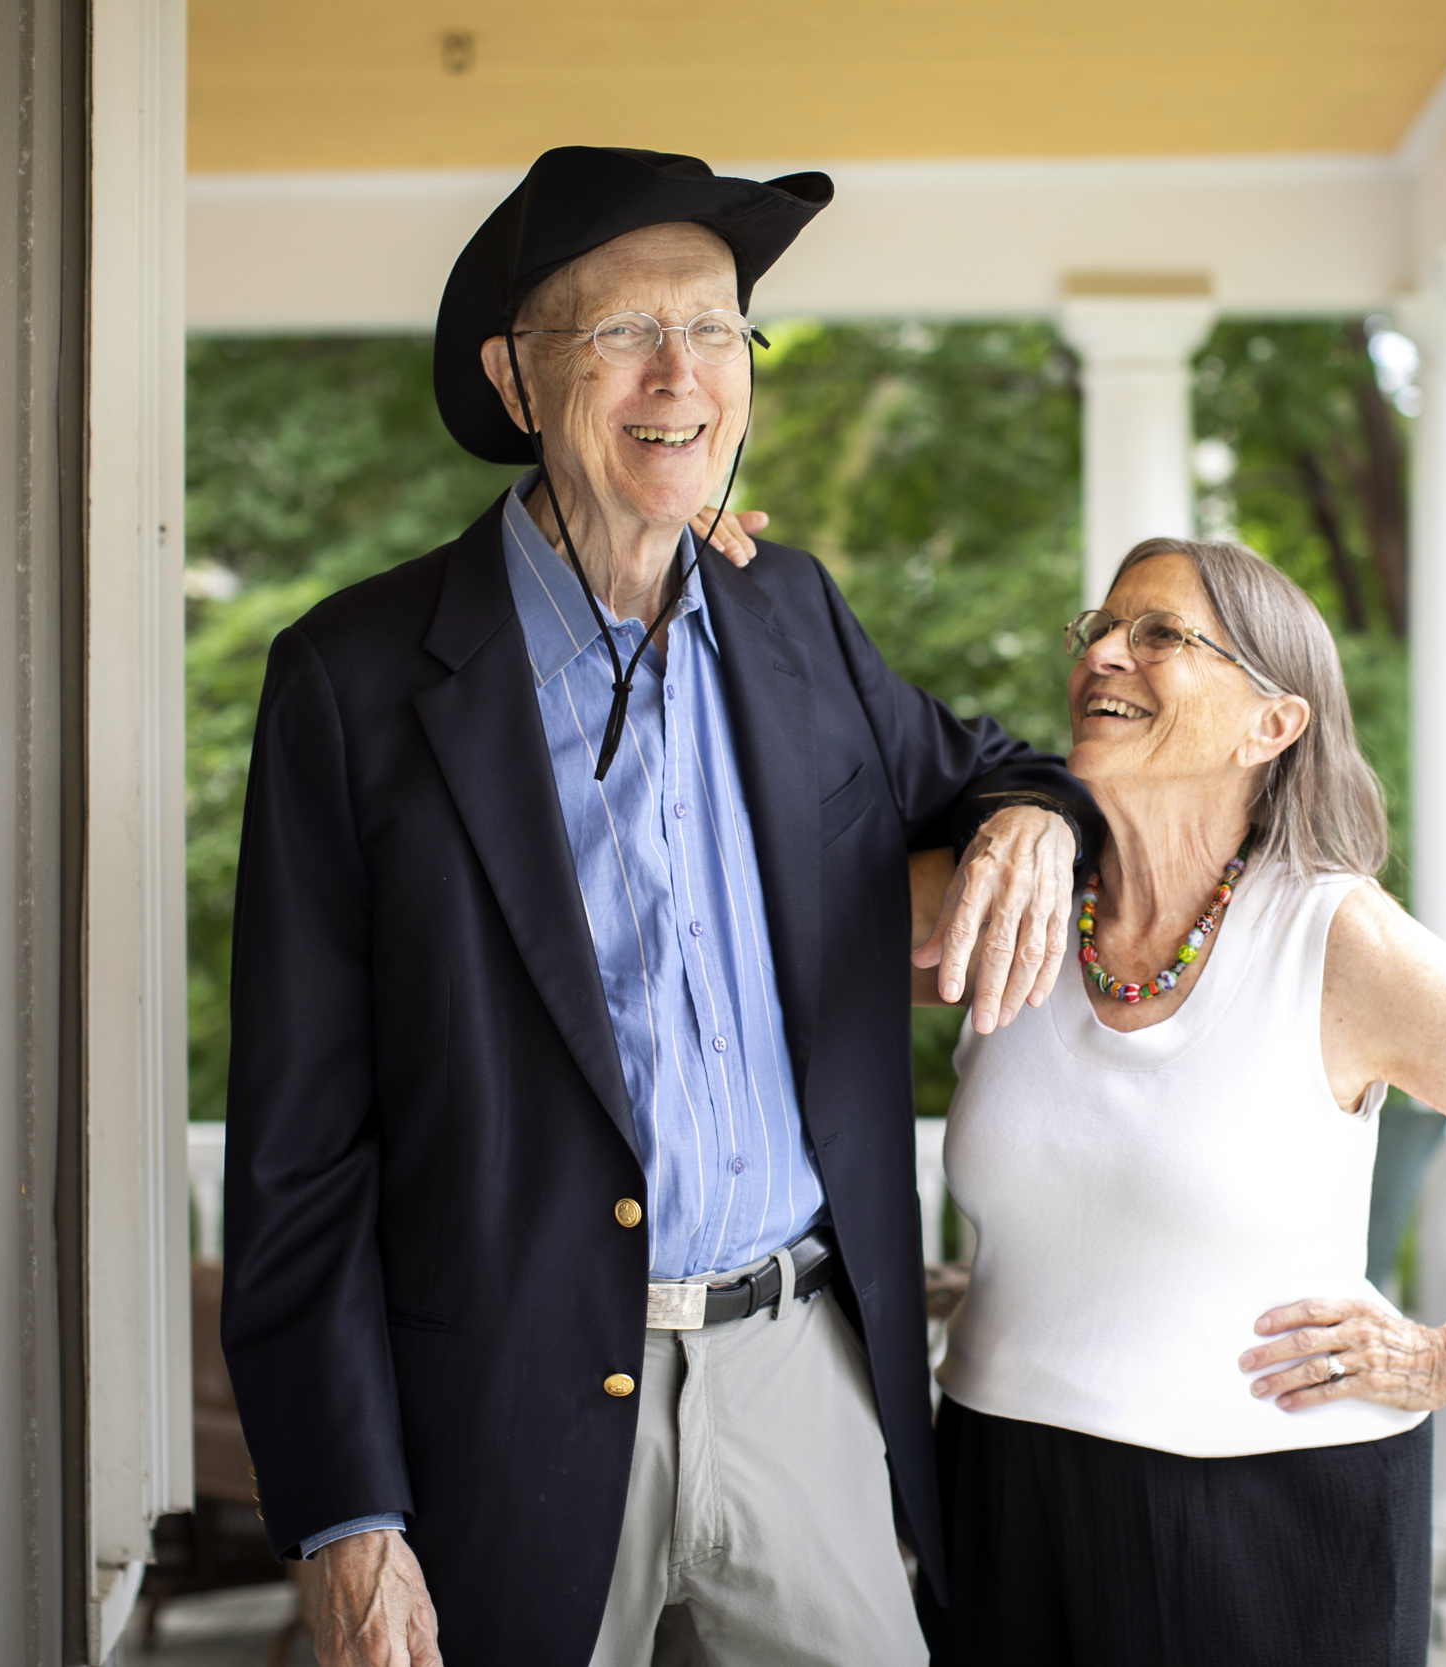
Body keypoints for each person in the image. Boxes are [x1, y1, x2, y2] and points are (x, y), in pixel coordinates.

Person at [221, 146, 1095, 1667]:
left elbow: (993, 764)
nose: (681, 374)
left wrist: (1032, 818)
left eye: (715, 328)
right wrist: (345, 1512)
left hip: (801, 1362)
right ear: (515, 377)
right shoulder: (353, 683)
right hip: (501, 1400)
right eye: (625, 330)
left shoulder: (793, 614)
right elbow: (298, 1147)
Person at [924, 537, 1446, 1666]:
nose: (1104, 650)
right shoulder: (1022, 900)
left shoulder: (1335, 936)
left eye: (1159, 634)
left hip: (1270, 1525)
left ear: (1272, 724)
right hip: (1000, 1489)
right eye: (1097, 626)